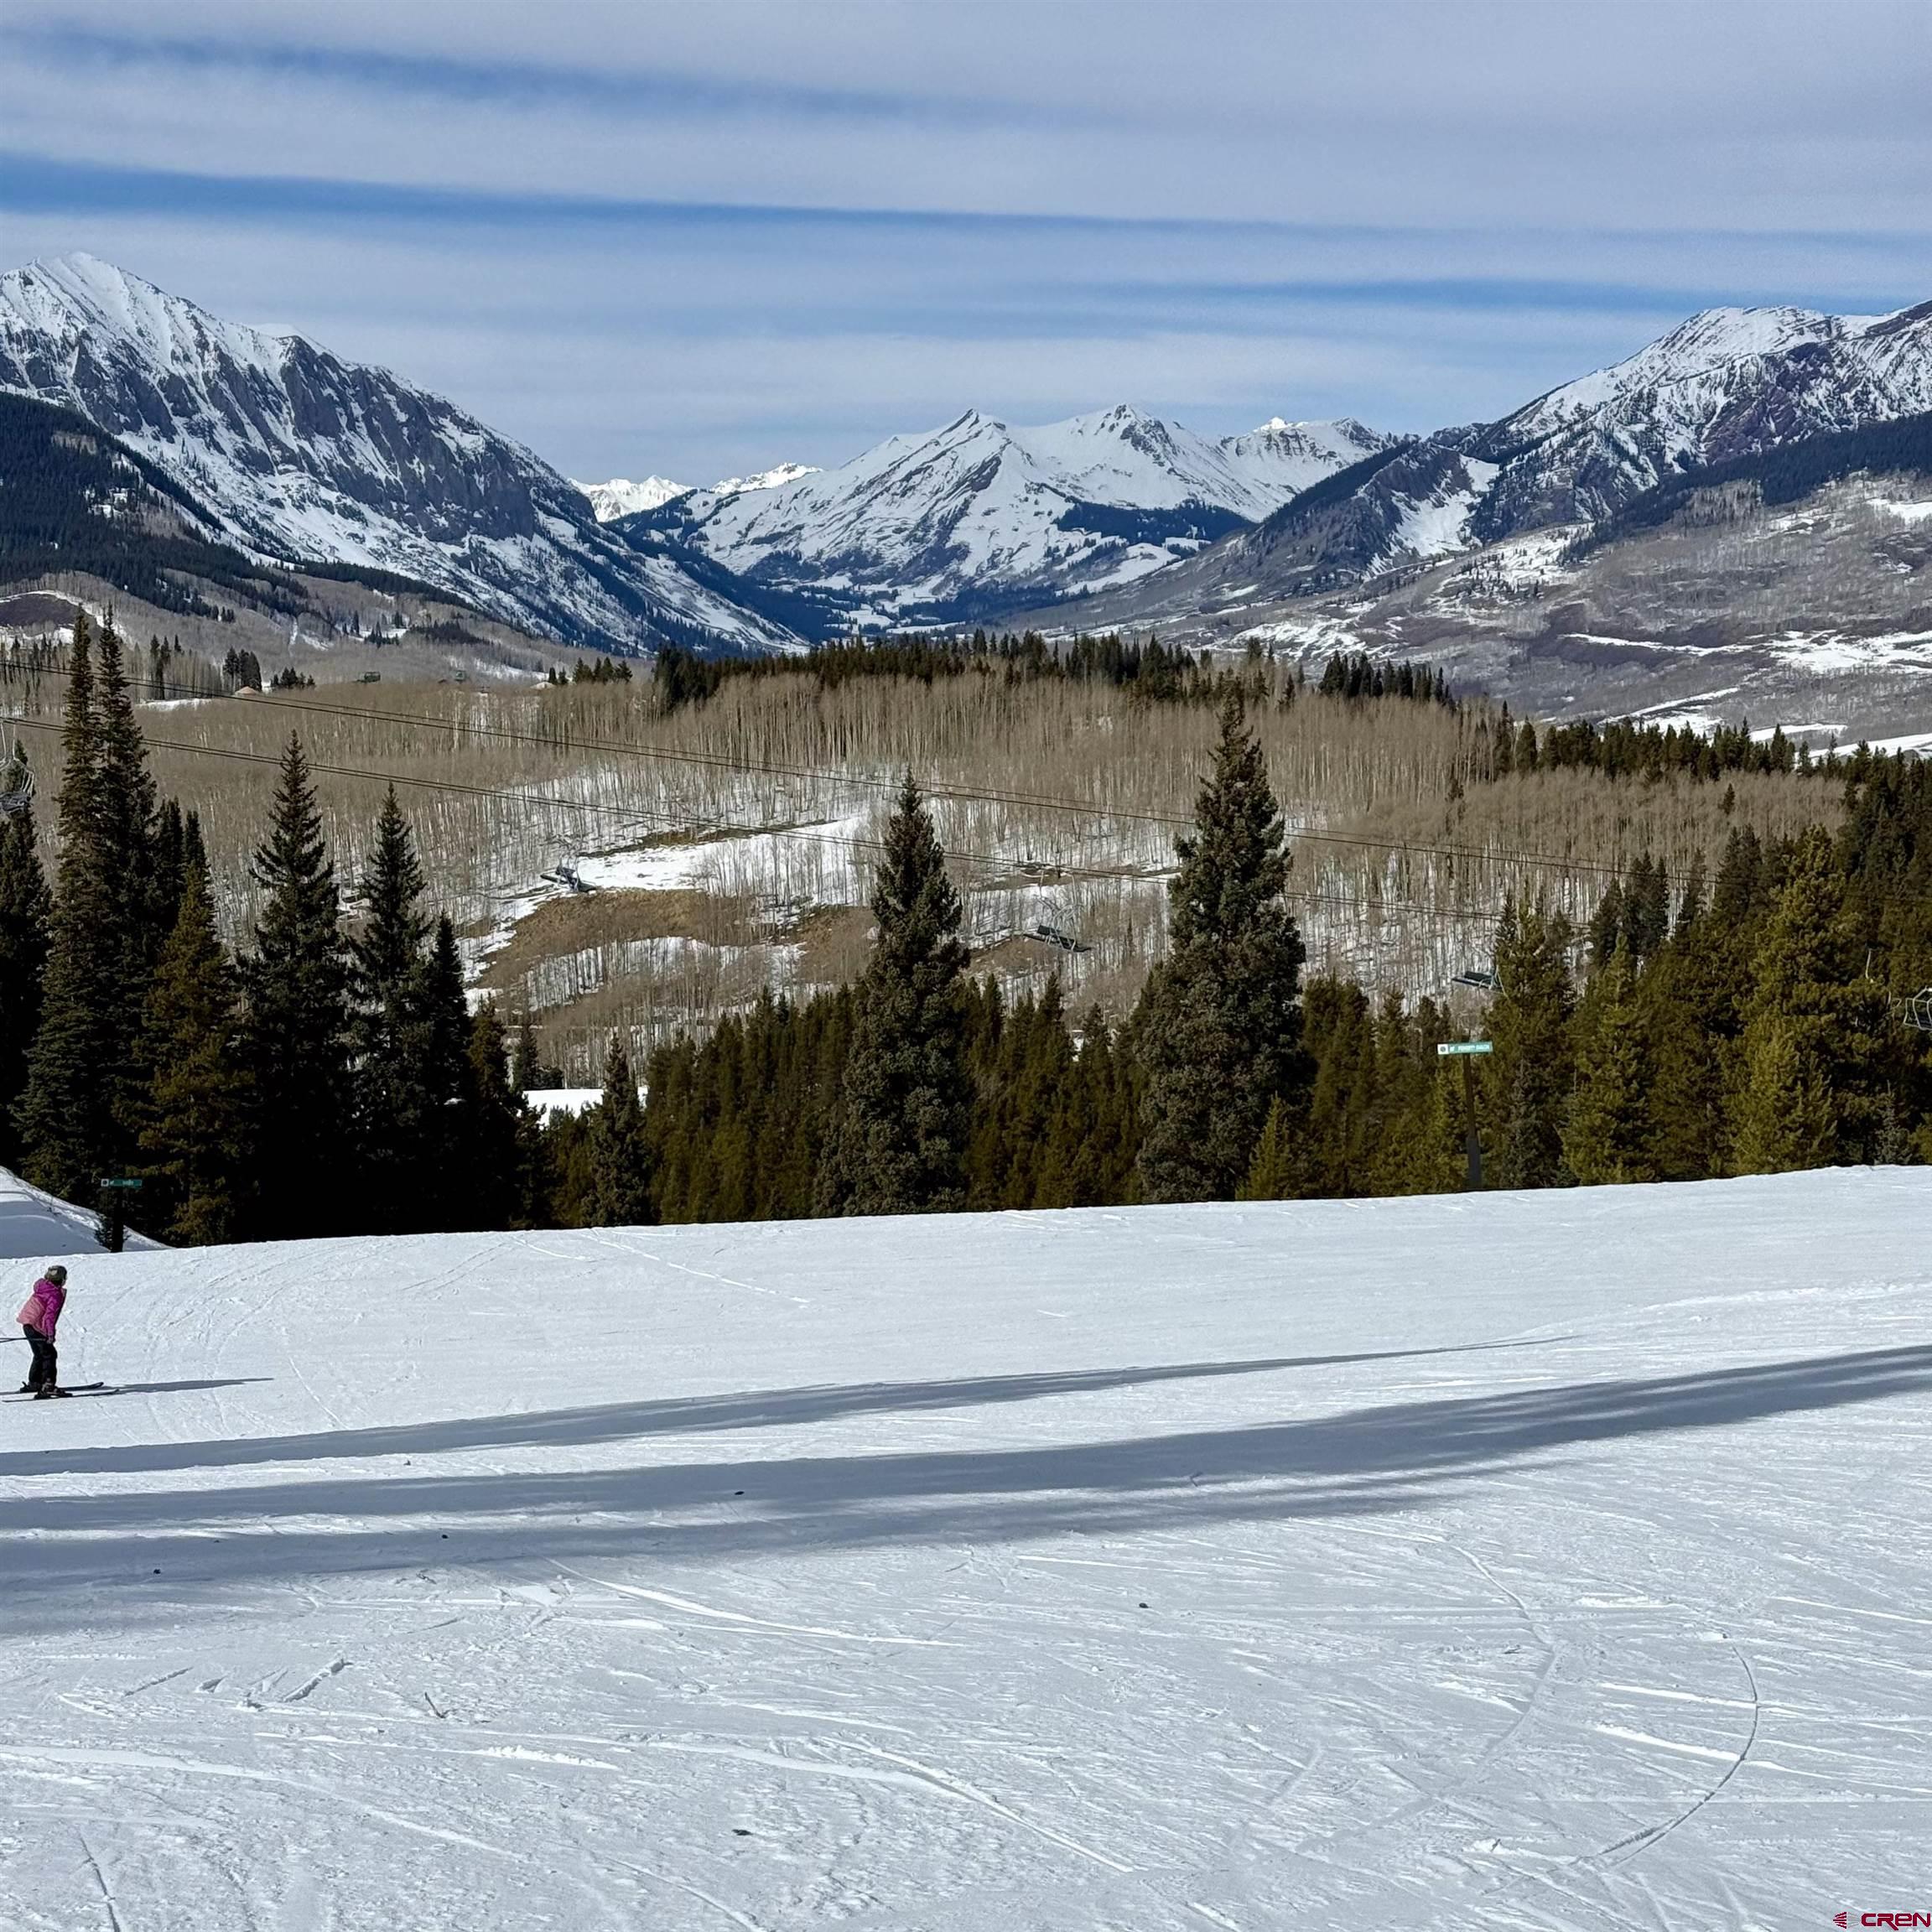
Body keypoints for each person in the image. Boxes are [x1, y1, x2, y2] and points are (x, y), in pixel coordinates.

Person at [17, 1265, 70, 1399]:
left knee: (39, 1354)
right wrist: (50, 1334)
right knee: (49, 1354)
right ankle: (48, 1384)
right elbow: (49, 1316)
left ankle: (35, 1382)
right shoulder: (54, 1294)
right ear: (63, 1279)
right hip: (37, 1326)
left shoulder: (42, 1287)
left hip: (28, 1324)